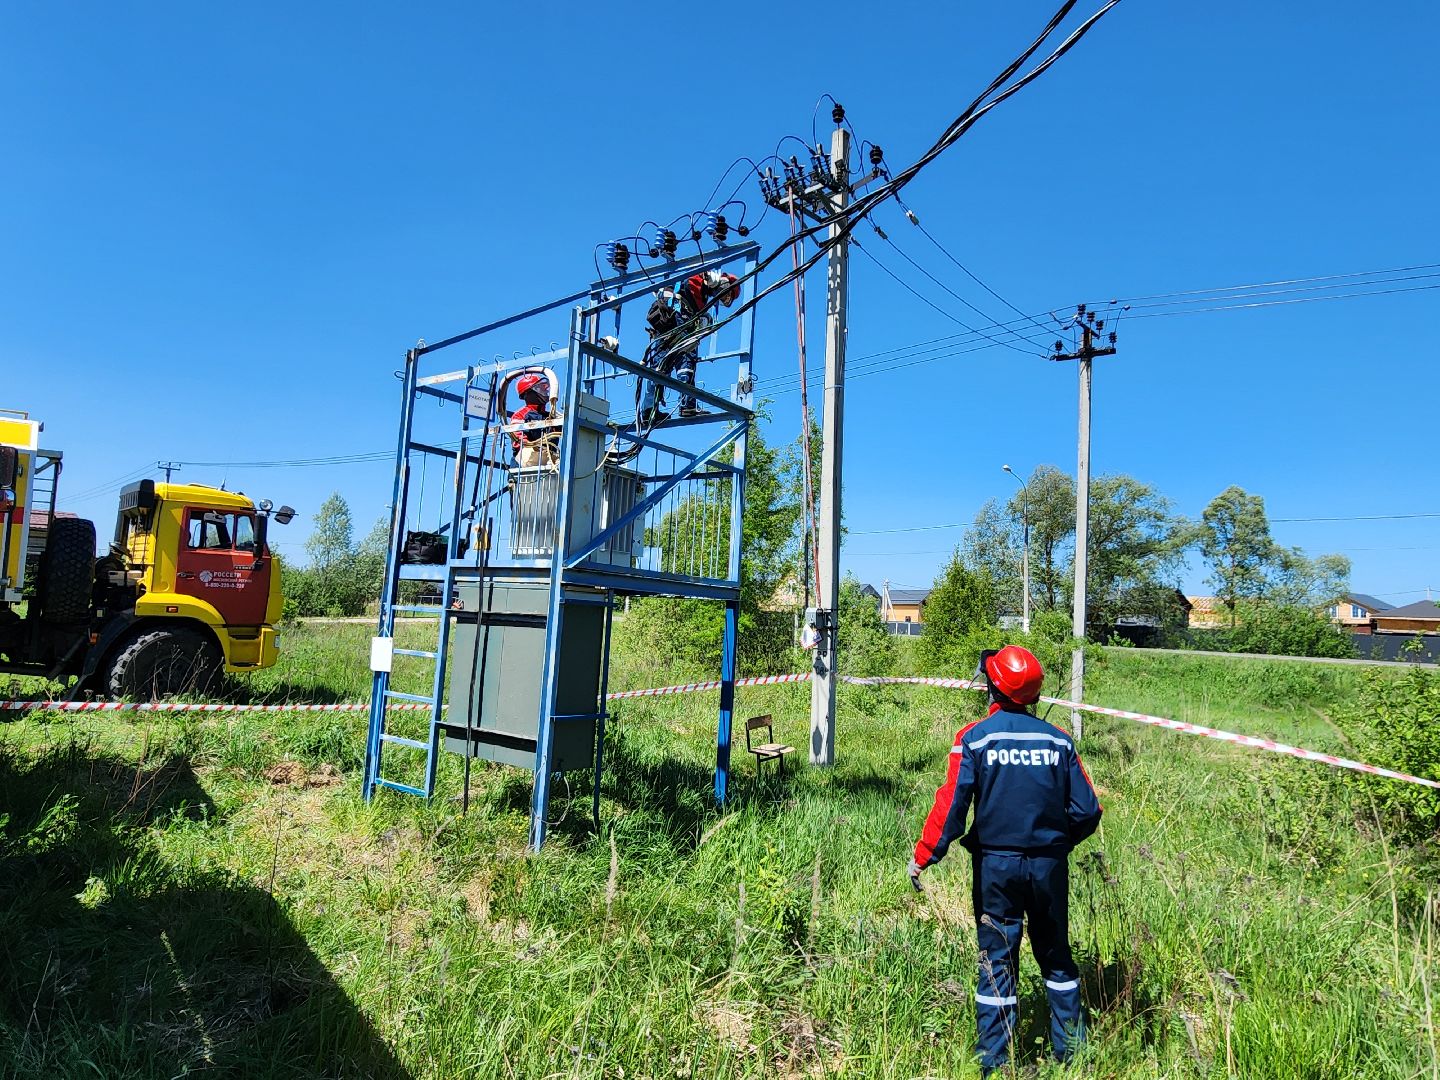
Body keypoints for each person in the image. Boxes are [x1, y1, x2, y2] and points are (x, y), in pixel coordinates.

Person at [908, 645, 1102, 1075]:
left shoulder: (975, 738)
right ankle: (1072, 1056)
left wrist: (924, 857)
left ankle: (994, 1061)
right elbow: (1088, 810)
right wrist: (1056, 844)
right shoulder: (1059, 741)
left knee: (997, 957)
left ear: (993, 686)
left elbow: (951, 808)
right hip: (1049, 867)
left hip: (995, 868)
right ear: (1033, 696)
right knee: (1055, 954)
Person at [509, 373, 556, 467]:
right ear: (528, 393)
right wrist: (535, 446)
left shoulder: (551, 416)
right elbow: (519, 439)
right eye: (539, 388)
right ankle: (513, 481)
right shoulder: (520, 415)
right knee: (527, 454)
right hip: (526, 460)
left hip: (548, 458)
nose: (545, 391)